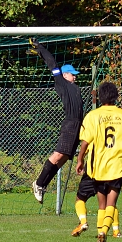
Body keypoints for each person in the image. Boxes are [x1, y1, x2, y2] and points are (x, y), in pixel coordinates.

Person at [75, 81, 122, 242]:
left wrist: (80, 160)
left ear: (100, 97)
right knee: (111, 204)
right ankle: (103, 234)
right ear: (116, 96)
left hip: (98, 167)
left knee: (101, 205)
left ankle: (100, 238)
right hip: (117, 166)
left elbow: (85, 142)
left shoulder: (93, 116)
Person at [28, 38, 84, 204]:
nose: (75, 77)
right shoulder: (61, 82)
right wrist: (40, 49)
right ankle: (38, 183)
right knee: (59, 154)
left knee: (65, 157)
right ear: (65, 75)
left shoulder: (76, 88)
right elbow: (52, 63)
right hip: (70, 124)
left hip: (78, 126)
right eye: (72, 74)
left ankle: (42, 184)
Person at [72, 168, 122, 238]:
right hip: (111, 169)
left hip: (93, 170)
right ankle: (115, 231)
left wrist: (80, 160)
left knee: (80, 199)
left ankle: (84, 222)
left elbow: (82, 156)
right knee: (110, 202)